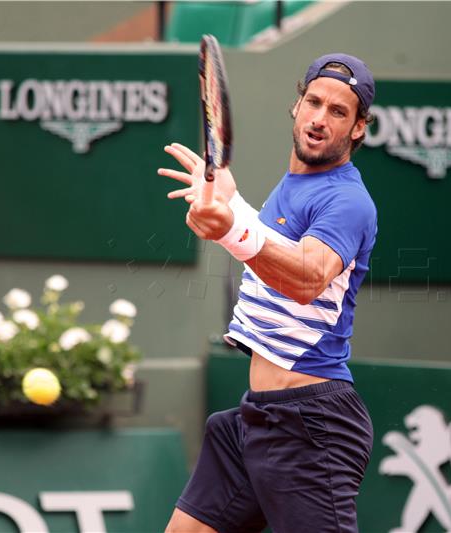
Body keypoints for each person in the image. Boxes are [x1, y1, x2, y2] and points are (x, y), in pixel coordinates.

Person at [159, 53, 378, 533]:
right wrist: (233, 206)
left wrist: (230, 229)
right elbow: (274, 243)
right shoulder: (296, 184)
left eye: (338, 112)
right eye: (314, 102)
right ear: (296, 106)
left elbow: (306, 279)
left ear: (358, 128)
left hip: (311, 428)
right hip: (255, 419)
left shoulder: (347, 200)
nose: (320, 119)